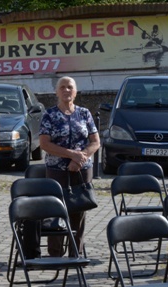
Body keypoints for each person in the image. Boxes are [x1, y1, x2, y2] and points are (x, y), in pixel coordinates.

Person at [39, 76, 100, 257]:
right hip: (57, 170)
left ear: (76, 91)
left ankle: (76, 251)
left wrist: (79, 158)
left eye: (70, 87)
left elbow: (95, 141)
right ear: (56, 92)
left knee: (79, 210)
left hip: (81, 170)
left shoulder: (84, 113)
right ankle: (55, 253)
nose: (66, 90)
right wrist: (70, 154)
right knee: (57, 209)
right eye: (63, 87)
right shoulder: (49, 115)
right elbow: (44, 144)